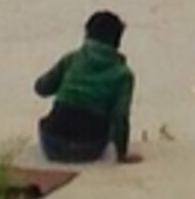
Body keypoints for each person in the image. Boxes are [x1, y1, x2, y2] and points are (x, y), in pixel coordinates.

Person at [33, 9, 138, 164]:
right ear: (117, 41)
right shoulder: (123, 75)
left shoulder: (72, 59)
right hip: (89, 148)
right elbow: (120, 117)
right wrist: (122, 154)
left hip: (52, 143)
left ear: (87, 34)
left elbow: (41, 89)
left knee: (50, 120)